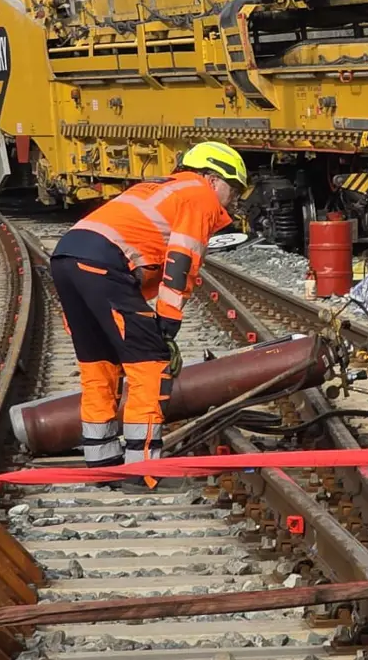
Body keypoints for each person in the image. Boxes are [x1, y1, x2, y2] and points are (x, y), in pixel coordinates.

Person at [49, 142, 248, 489]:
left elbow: (138, 260)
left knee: (101, 364)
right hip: (103, 265)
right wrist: (167, 322)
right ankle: (143, 472)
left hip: (69, 257)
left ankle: (102, 466)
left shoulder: (158, 188)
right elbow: (182, 258)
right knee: (150, 364)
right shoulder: (198, 195)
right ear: (213, 179)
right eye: (233, 190)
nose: (232, 201)